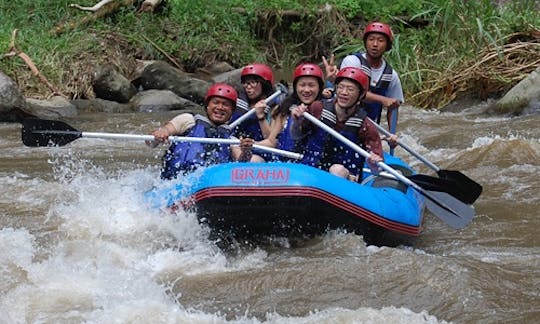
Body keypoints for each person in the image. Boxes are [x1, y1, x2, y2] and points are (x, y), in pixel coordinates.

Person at [290, 66, 384, 181]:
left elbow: (377, 170)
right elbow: (296, 136)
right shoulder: (317, 108)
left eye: (350, 89)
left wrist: (373, 163)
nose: (344, 92)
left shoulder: (366, 126)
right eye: (341, 87)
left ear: (360, 94)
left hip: (345, 177)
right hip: (312, 169)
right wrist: (296, 122)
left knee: (337, 170)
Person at [147, 83, 257, 179]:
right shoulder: (188, 120)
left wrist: (246, 151)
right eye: (216, 102)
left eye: (226, 104)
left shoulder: (230, 139)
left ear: (232, 111)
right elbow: (153, 141)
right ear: (207, 106)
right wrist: (161, 133)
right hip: (174, 180)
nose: (220, 107)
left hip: (208, 186)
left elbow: (241, 164)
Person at [323, 22, 404, 136]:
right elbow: (354, 92)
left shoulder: (392, 76)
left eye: (380, 40)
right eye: (371, 39)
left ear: (387, 46)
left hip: (367, 128)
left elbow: (394, 107)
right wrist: (383, 100)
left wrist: (391, 134)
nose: (375, 44)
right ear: (366, 42)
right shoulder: (352, 61)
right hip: (339, 121)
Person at [270, 63, 325, 160]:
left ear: (319, 88)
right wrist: (252, 143)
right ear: (295, 87)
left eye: (311, 85)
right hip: (282, 165)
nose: (306, 90)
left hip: (311, 167)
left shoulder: (326, 109)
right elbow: (271, 142)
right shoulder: (285, 108)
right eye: (302, 85)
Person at [230, 63, 276, 141]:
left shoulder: (274, 108)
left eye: (252, 82)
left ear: (264, 85)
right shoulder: (237, 101)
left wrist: (261, 117)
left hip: (258, 147)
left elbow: (271, 140)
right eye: (245, 83)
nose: (248, 87)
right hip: (234, 143)